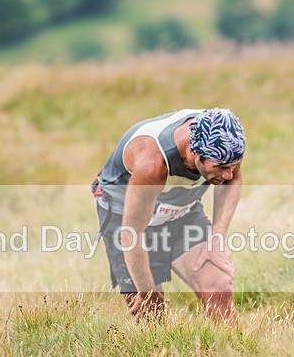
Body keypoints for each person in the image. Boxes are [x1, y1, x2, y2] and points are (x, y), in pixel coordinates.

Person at [92, 108, 245, 322]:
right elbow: (131, 234)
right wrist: (147, 291)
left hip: (179, 209)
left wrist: (217, 237)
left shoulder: (225, 142)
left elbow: (232, 179)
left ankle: (229, 353)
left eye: (234, 165)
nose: (228, 173)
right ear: (194, 152)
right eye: (220, 167)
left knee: (218, 288)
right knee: (150, 310)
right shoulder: (152, 163)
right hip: (126, 217)